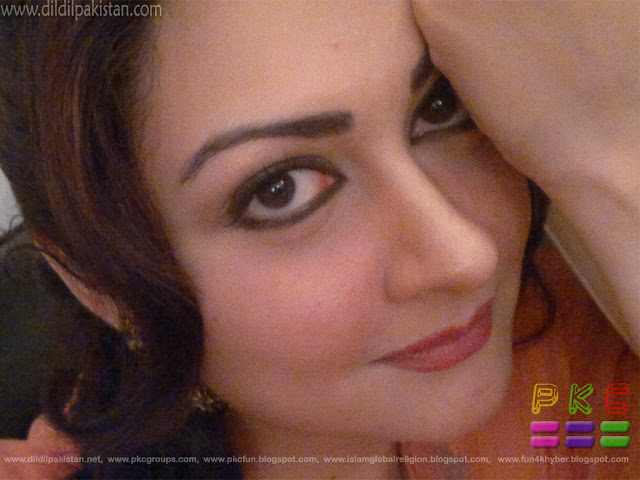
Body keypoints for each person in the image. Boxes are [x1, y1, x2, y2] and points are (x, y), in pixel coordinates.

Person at [0, 1, 637, 478]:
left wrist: (608, 152)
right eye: (281, 190)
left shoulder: (571, 375)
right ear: (101, 286)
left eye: (441, 108)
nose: (466, 256)